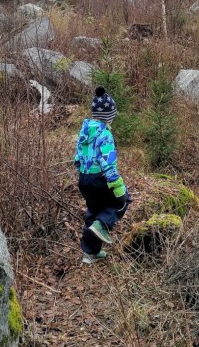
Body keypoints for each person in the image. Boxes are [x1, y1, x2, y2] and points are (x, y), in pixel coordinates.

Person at [74, 85, 131, 264]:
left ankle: (90, 253)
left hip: (84, 179)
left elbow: (77, 158)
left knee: (93, 211)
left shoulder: (84, 131)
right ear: (109, 116)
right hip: (100, 178)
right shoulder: (105, 135)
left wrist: (84, 173)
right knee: (122, 201)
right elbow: (108, 163)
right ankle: (103, 224)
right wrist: (117, 185)